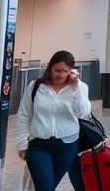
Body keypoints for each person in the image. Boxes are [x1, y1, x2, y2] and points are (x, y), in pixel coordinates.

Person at [16, 50, 90, 191]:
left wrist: (76, 89)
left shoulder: (80, 88)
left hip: (67, 146)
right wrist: (22, 144)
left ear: (72, 71)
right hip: (39, 145)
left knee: (50, 185)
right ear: (50, 68)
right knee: (44, 187)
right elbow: (24, 115)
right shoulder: (35, 87)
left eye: (65, 71)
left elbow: (83, 113)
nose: (60, 75)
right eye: (57, 70)